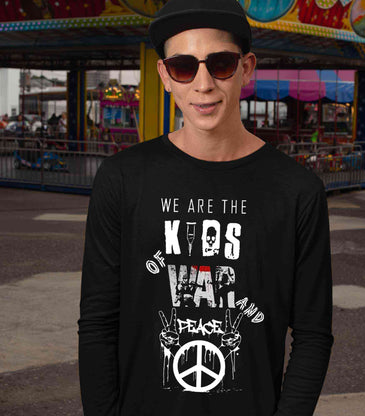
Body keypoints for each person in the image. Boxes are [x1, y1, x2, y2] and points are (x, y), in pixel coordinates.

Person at [77, 0, 334, 415]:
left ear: (246, 67)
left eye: (221, 64)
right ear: (165, 76)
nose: (203, 84)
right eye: (183, 66)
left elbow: (312, 333)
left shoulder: (297, 191)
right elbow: (98, 321)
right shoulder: (122, 179)